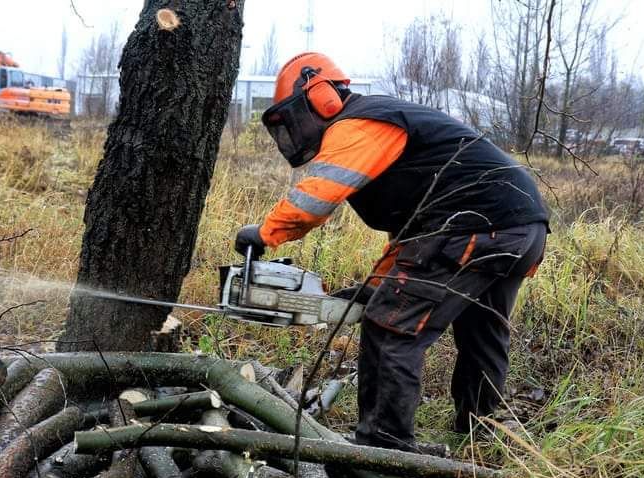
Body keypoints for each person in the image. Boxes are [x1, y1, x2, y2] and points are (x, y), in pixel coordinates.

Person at [233, 52, 549, 451]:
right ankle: (481, 430)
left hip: (474, 228)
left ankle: (384, 450)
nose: (296, 130)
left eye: (295, 117)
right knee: (480, 331)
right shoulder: (387, 122)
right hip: (520, 229)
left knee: (389, 330)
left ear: (321, 95)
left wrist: (263, 234)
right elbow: (415, 236)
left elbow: (315, 199)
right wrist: (377, 287)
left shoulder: (359, 123)